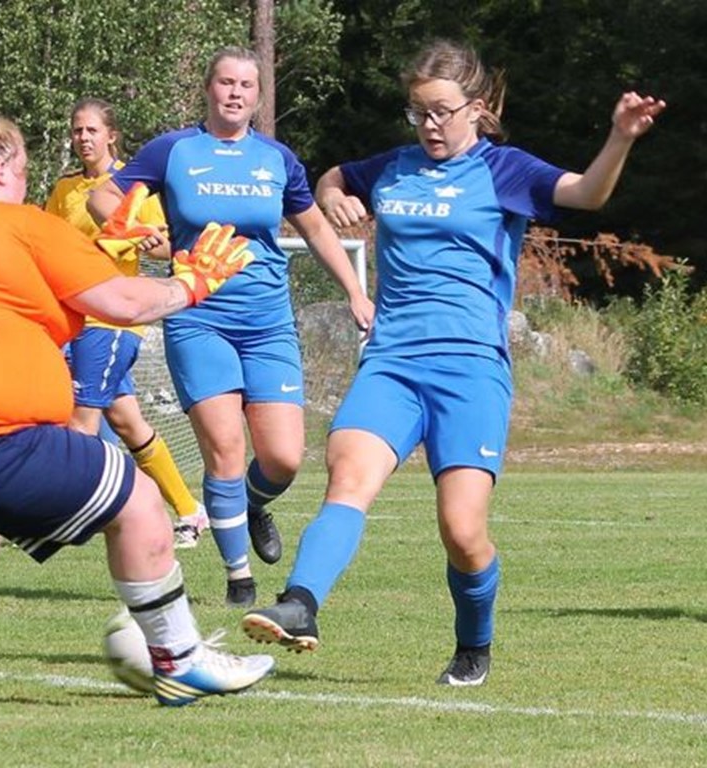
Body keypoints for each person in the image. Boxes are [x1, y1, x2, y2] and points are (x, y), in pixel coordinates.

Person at [241, 39, 666, 685]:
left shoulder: (505, 171)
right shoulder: (396, 167)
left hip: (470, 370)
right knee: (347, 477)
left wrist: (620, 137)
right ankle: (301, 605)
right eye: (419, 113)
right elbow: (334, 176)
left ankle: (474, 645)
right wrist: (331, 194)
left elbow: (585, 194)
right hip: (392, 361)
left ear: (476, 108)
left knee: (462, 531)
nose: (431, 126)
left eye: (442, 112)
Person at [0, 96, 274, 708]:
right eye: (25, 167)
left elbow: (13, 302)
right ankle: (182, 660)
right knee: (140, 504)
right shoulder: (22, 223)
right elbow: (125, 305)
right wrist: (192, 282)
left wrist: (100, 250)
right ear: (5, 166)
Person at [88, 47, 373, 608]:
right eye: (225, 82)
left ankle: (253, 502)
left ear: (258, 96)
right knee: (224, 446)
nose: (235, 93)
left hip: (267, 321)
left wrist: (356, 291)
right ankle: (239, 580)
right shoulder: (173, 150)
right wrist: (130, 226)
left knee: (284, 459)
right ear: (209, 88)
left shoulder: (277, 159)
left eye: (246, 84)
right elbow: (104, 194)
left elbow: (313, 228)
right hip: (198, 316)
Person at [46, 97, 209, 549]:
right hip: (75, 319)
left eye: (91, 130)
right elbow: (48, 244)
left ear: (111, 135)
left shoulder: (134, 189)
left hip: (112, 319)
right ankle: (190, 511)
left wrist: (138, 241)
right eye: (77, 130)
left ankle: (62, 515)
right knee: (127, 422)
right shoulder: (65, 191)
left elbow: (167, 246)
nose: (83, 138)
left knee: (80, 422)